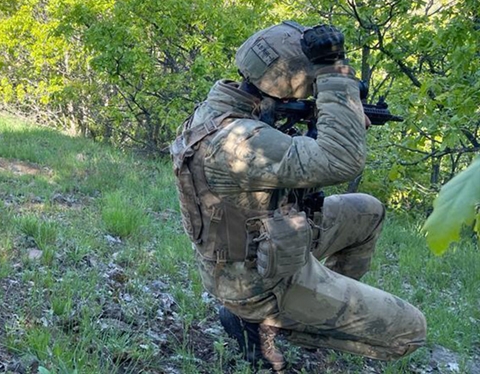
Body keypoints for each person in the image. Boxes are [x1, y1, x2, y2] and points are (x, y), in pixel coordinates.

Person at [170, 21, 425, 371]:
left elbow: (286, 172)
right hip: (256, 284)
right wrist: (335, 80)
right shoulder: (239, 142)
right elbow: (341, 161)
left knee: (368, 211)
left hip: (265, 246)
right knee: (411, 331)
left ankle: (319, 304)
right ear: (286, 91)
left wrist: (316, 124)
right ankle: (265, 323)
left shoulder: (223, 108)